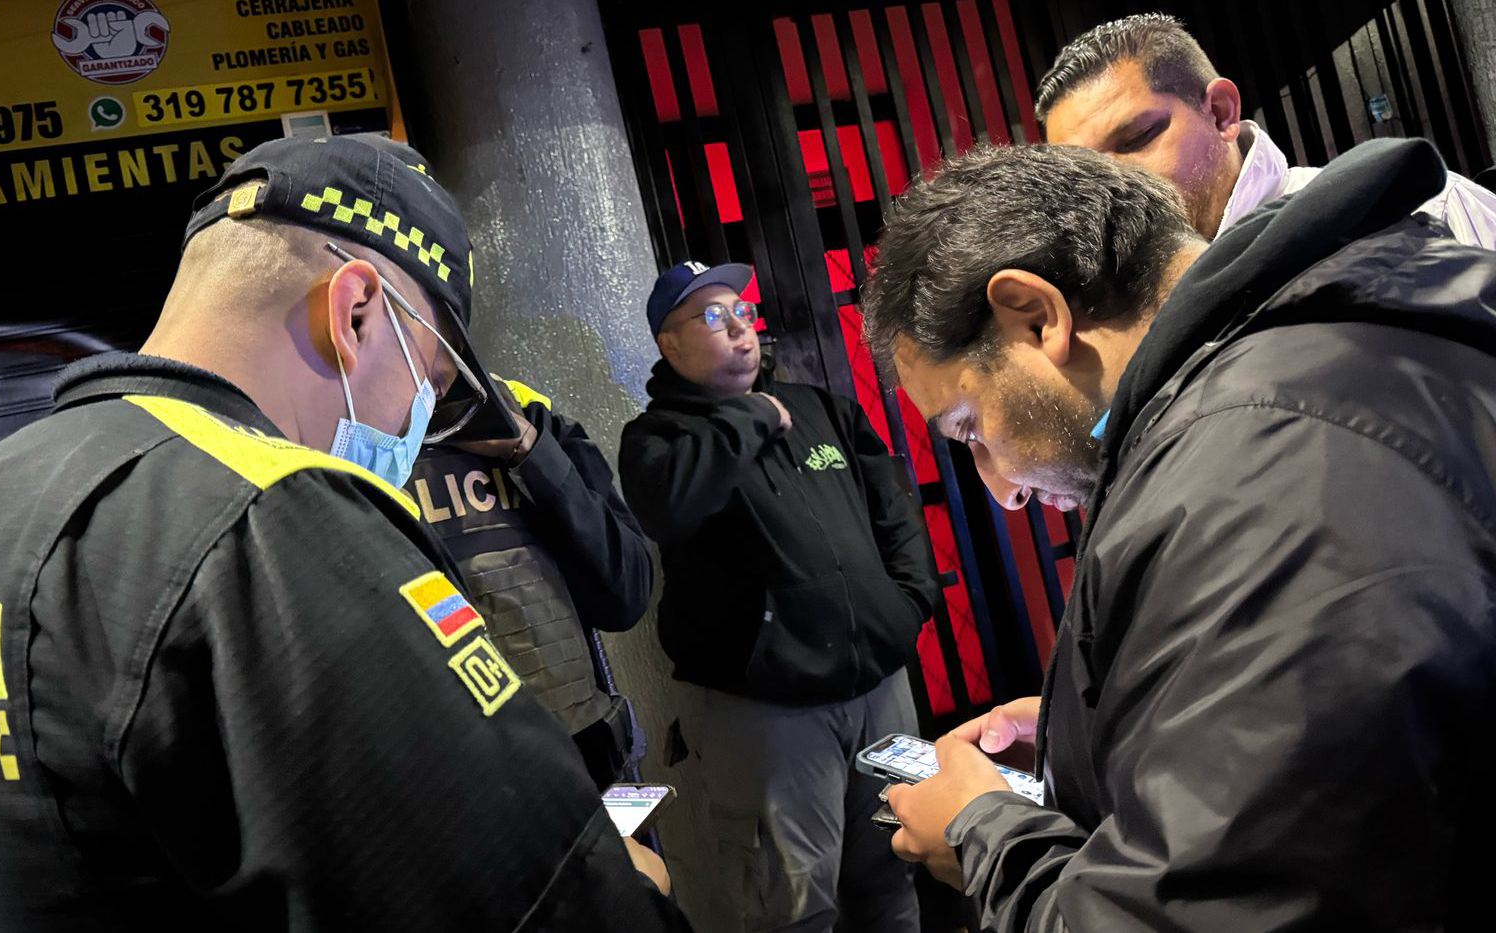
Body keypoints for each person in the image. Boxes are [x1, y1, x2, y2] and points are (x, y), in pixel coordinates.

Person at [0, 134, 686, 932]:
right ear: (356, 311)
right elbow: (542, 900)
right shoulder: (273, 522)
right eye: (430, 380)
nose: (413, 424)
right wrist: (633, 885)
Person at [859, 138, 1496, 930]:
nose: (1003, 488)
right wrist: (1108, 728)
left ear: (1035, 316)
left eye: (970, 428)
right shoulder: (1331, 342)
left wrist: (984, 834)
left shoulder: (1254, 469)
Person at [618, 261, 942, 932]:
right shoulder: (658, 440)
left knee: (894, 874)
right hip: (765, 710)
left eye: (741, 309)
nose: (739, 326)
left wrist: (907, 603)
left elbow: (895, 511)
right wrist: (753, 416)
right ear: (669, 344)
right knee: (791, 908)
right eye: (712, 316)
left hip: (878, 687)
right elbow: (670, 507)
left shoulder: (823, 410)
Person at [1036, 12, 1496, 247]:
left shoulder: (1420, 211)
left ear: (1221, 112)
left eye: (1137, 139)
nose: (1111, 186)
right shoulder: (1124, 328)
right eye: (1085, 174)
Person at [409, 369, 654, 790]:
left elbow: (626, 592)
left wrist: (530, 451)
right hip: (459, 786)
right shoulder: (333, 436)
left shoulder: (523, 407)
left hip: (585, 762)